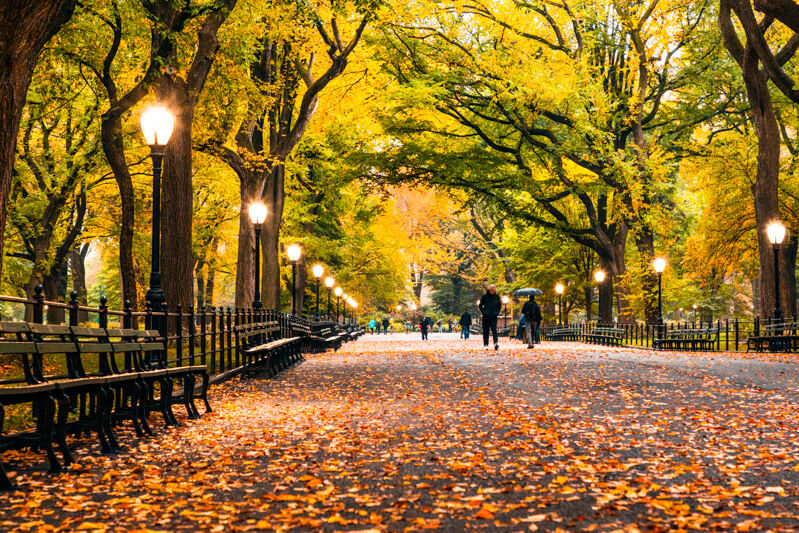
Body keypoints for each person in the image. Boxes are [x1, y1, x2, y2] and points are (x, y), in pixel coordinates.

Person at [479, 284, 502, 350]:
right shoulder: (484, 297)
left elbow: (499, 306)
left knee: (494, 329)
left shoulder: (497, 297)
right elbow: (480, 306)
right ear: (489, 290)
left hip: (493, 316)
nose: (492, 291)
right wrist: (484, 312)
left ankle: (496, 343)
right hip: (486, 316)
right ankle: (486, 344)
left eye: (493, 290)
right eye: (491, 290)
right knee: (486, 331)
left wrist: (497, 312)